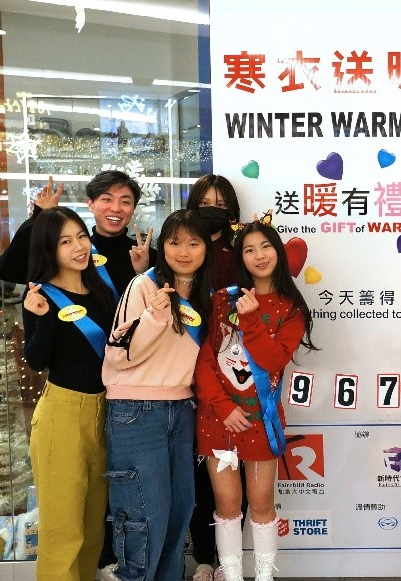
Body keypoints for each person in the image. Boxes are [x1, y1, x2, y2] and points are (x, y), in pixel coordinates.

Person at [195, 217, 317, 581]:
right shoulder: (222, 299)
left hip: (262, 420)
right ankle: (231, 575)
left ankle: (264, 576)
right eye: (249, 249)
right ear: (240, 258)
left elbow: (273, 359)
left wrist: (250, 320)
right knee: (227, 505)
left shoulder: (291, 308)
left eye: (265, 247)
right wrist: (223, 407)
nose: (259, 256)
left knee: (261, 503)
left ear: (278, 252)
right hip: (219, 420)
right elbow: (204, 361)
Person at [102, 209, 213, 581]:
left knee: (179, 511)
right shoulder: (144, 286)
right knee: (142, 517)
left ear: (206, 248)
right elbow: (121, 355)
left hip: (182, 409)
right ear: (162, 246)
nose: (184, 251)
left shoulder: (204, 295)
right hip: (136, 411)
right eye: (175, 242)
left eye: (193, 243)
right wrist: (154, 317)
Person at [22, 208, 116, 581]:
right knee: (63, 532)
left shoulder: (101, 289)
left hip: (105, 413)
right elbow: (36, 360)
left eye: (81, 236)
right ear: (50, 248)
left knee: (92, 531)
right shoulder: (41, 294)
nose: (78, 247)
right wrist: (42, 318)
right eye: (65, 241)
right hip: (62, 414)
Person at [185, 174, 243, 581]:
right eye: (205, 201)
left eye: (220, 203)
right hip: (185, 371)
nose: (212, 208)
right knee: (196, 472)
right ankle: (204, 558)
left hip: (235, 374)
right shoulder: (186, 249)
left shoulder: (241, 250)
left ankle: (228, 562)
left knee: (230, 470)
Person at [0, 172, 155, 298]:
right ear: (90, 204)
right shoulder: (71, 253)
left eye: (125, 202)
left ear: (133, 208)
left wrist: (145, 272)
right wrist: (39, 217)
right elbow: (7, 270)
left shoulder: (148, 257)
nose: (115, 208)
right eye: (106, 199)